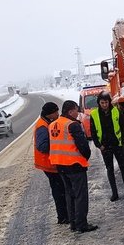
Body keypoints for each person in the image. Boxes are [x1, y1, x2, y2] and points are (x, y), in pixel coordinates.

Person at [49, 100, 96, 233]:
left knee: (70, 194)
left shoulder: (52, 125)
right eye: (76, 109)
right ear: (70, 111)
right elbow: (83, 146)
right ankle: (82, 224)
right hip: (74, 164)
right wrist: (86, 156)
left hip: (60, 164)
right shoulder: (72, 125)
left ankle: (73, 223)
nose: (78, 112)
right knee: (80, 195)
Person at [89, 91, 124, 201]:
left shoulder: (116, 111)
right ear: (99, 103)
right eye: (102, 102)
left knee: (123, 167)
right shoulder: (94, 114)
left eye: (106, 102)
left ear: (109, 102)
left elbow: (123, 127)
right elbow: (93, 131)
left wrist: (122, 141)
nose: (104, 105)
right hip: (105, 146)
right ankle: (115, 193)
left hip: (117, 144)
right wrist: (99, 145)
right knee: (110, 169)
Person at [33, 101, 68, 224]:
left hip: (50, 163)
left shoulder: (46, 122)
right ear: (50, 114)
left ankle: (63, 215)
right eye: (56, 112)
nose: (58, 114)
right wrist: (56, 144)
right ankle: (63, 217)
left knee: (60, 190)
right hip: (48, 164)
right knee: (59, 191)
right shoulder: (42, 126)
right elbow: (42, 146)